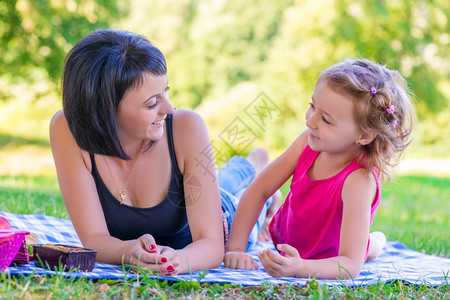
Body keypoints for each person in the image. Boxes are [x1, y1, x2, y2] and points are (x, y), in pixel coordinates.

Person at [50, 29, 277, 276]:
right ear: (104, 111)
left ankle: (255, 167)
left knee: (245, 198)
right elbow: (94, 238)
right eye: (151, 103)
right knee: (219, 181)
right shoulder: (68, 129)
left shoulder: (186, 126)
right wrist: (128, 252)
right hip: (194, 193)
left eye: (166, 91)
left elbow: (212, 247)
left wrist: (178, 260)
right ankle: (252, 164)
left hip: (224, 218)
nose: (169, 108)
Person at [223, 58, 416, 279]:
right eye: (313, 106)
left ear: (363, 135)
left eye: (326, 119)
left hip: (329, 258)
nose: (310, 121)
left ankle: (376, 241)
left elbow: (350, 265)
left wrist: (300, 268)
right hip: (286, 237)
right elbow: (260, 188)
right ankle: (270, 215)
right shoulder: (308, 142)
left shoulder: (358, 181)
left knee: (366, 249)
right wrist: (235, 248)